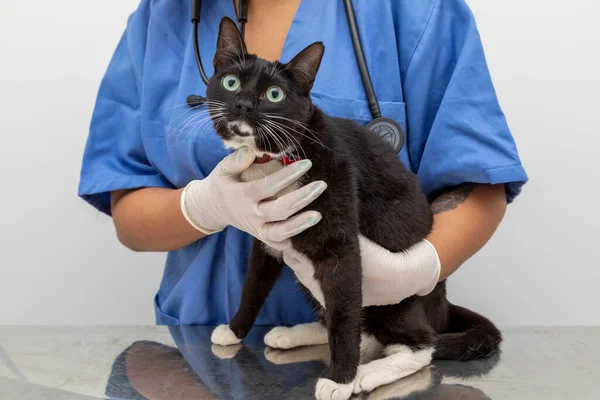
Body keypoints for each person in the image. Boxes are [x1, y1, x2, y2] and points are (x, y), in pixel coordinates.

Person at [78, 0, 528, 326]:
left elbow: (480, 182)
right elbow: (128, 212)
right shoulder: (161, 17)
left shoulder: (415, 10)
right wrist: (205, 206)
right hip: (203, 349)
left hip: (369, 344)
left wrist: (416, 270)